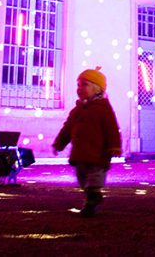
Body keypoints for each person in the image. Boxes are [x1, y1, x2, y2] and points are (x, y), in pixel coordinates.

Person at [52, 68, 122, 217]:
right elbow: (67, 128)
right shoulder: (77, 110)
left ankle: (92, 200)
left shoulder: (104, 109)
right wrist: (59, 143)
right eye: (78, 85)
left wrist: (115, 146)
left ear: (97, 89)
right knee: (82, 178)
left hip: (98, 154)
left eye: (84, 85)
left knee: (94, 178)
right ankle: (91, 197)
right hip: (80, 154)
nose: (80, 89)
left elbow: (112, 128)